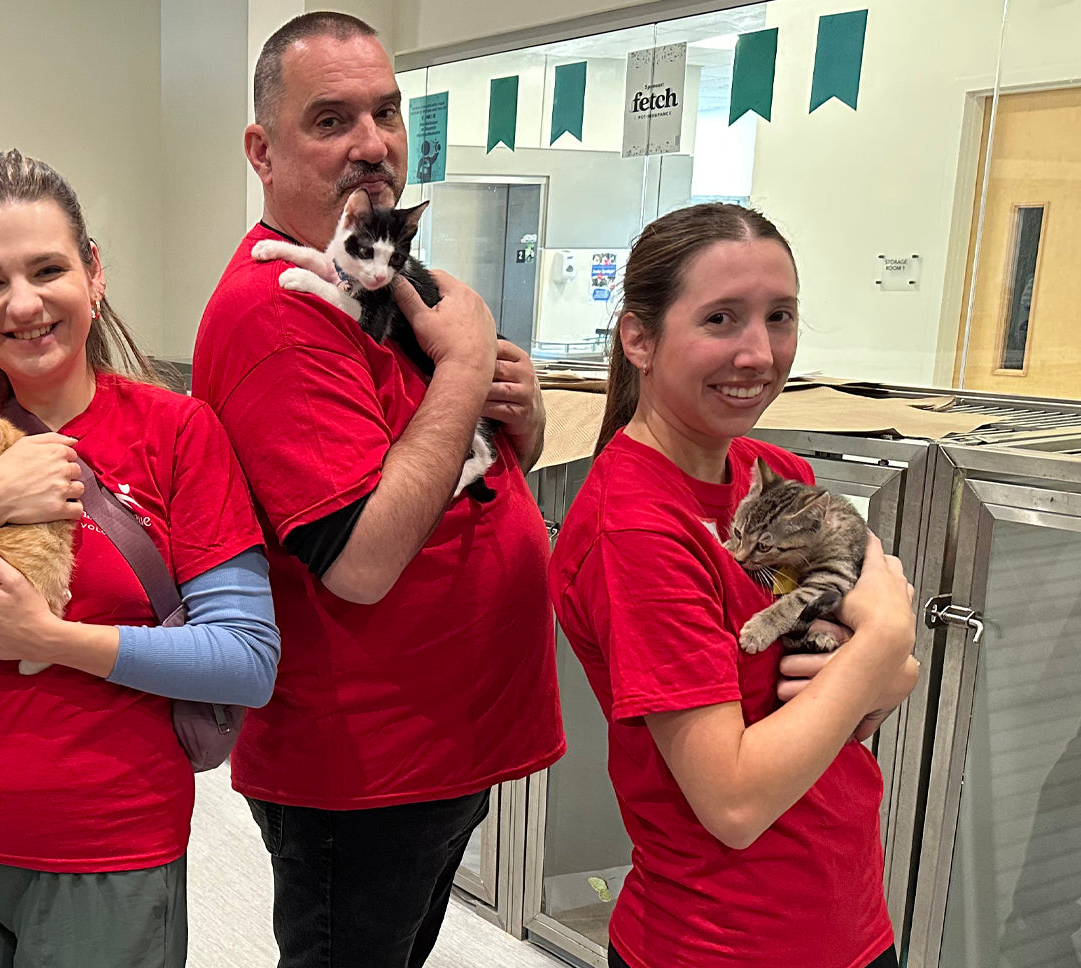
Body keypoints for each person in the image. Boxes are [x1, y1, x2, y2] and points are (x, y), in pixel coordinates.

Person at [189, 13, 564, 968]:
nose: (373, 144)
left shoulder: (390, 275)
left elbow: (472, 460)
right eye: (331, 119)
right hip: (362, 767)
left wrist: (513, 411)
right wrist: (465, 366)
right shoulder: (278, 313)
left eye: (387, 112)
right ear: (261, 151)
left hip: (443, 741)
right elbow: (357, 560)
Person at [0, 149, 279, 968]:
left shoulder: (177, 434)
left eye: (47, 269)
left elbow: (245, 660)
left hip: (108, 849)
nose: (22, 304)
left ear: (93, 273)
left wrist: (48, 640)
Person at [548, 203, 921, 968]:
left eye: (778, 316)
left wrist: (886, 668)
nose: (759, 352)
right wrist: (883, 644)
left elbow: (860, 695)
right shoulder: (637, 527)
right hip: (724, 942)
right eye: (721, 319)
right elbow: (734, 800)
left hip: (849, 918)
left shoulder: (777, 475)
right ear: (640, 338)